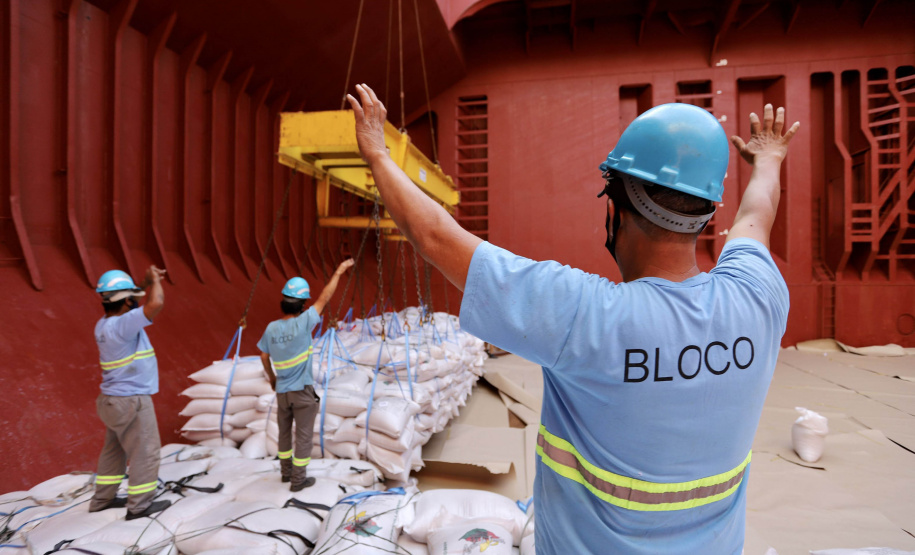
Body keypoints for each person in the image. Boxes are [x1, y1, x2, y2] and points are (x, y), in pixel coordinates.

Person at [346, 84, 799, 553]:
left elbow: (437, 238)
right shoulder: (758, 295)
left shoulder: (582, 315)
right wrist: (768, 159)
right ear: (707, 216)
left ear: (614, 211)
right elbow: (757, 213)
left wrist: (378, 153)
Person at [258, 259, 355, 491]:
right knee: (302, 436)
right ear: (302, 304)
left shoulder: (271, 328)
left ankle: (285, 473)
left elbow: (263, 357)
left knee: (283, 434)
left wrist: (272, 378)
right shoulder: (304, 323)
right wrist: (339, 271)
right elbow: (324, 297)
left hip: (282, 391)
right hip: (302, 391)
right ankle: (298, 480)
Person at [89, 265, 171, 520]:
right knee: (146, 451)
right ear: (126, 302)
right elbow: (155, 303)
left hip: (110, 401)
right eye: (133, 299)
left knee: (114, 451)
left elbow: (134, 299)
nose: (136, 302)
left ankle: (103, 499)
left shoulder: (102, 325)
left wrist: (144, 282)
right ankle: (140, 506)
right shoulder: (124, 324)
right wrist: (155, 281)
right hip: (131, 400)